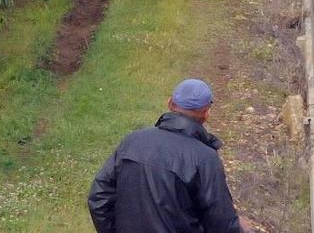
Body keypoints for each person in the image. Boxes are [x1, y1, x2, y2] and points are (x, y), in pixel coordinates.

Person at [88, 78, 249, 233]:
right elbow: (221, 224)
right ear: (206, 114)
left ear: (170, 103)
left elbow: (99, 198)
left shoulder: (133, 141)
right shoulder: (205, 158)